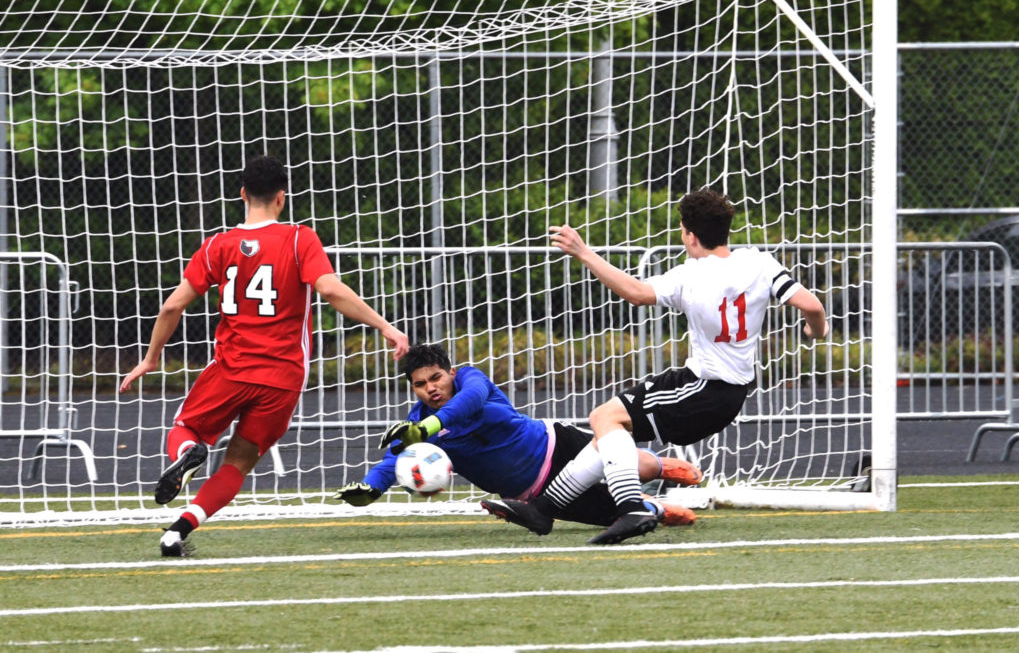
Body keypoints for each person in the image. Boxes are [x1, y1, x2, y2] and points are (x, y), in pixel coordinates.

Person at [489, 188, 830, 544]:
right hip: (718, 389)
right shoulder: (759, 262)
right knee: (609, 431)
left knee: (605, 420)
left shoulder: (692, 275)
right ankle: (544, 508)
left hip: (706, 389)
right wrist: (815, 331)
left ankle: (631, 507)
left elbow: (636, 293)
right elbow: (812, 306)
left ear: (689, 234)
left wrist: (583, 252)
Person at [119, 154, 409, 557]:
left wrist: (151, 359)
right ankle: (177, 532)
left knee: (185, 429)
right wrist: (385, 326)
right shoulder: (298, 238)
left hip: (231, 368)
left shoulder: (218, 245)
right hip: (282, 378)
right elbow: (330, 290)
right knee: (238, 462)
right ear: (281, 197)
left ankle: (188, 455)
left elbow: (171, 307)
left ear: (242, 194)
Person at [334, 343, 702, 529]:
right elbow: (394, 458)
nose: (430, 388)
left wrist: (427, 428)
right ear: (412, 388)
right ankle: (660, 508)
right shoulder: (417, 424)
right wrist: (371, 488)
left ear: (450, 372)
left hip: (554, 445)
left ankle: (662, 466)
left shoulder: (471, 381)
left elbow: (471, 402)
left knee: (632, 464)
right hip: (533, 493)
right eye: (420, 384)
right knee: (618, 514)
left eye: (435, 378)